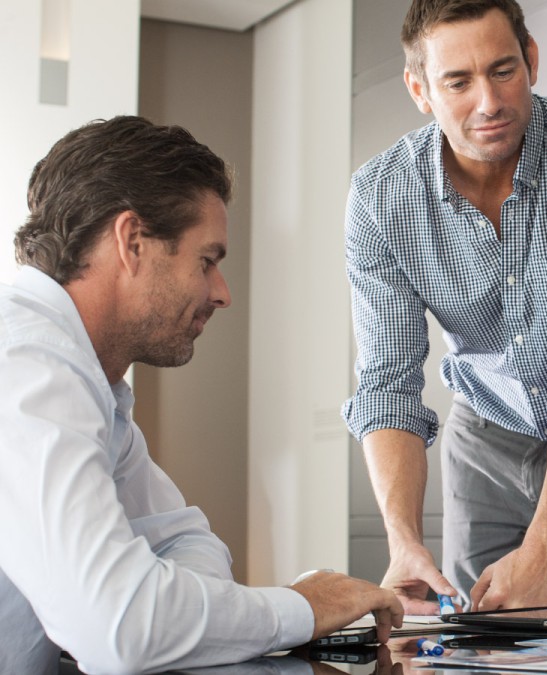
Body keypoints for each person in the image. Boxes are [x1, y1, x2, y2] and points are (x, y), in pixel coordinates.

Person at [0, 116, 403, 675]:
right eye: (206, 261)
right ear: (132, 242)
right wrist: (302, 608)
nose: (222, 293)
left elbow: (186, 539)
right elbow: (121, 628)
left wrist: (176, 606)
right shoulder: (27, 369)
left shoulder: (85, 380)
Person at [342, 0, 547, 613]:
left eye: (502, 71)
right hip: (483, 442)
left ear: (532, 60)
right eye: (458, 81)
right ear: (420, 90)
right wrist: (404, 542)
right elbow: (387, 383)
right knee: (487, 650)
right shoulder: (379, 197)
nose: (489, 102)